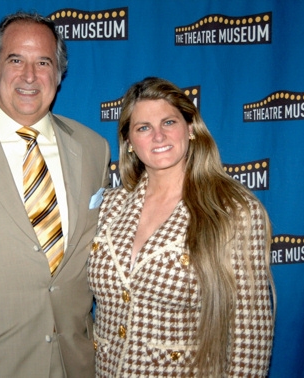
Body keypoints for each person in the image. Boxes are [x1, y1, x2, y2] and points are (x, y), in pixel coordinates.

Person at [0, 11, 110, 378]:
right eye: (15, 60)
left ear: (59, 73)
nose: (29, 76)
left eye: (43, 62)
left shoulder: (94, 149)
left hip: (75, 363)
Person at [88, 77, 275, 377]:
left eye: (169, 122)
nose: (158, 136)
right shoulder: (109, 207)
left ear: (190, 128)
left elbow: (250, 331)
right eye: (143, 128)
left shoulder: (233, 210)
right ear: (130, 143)